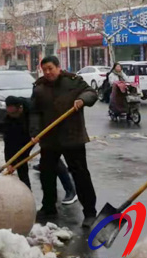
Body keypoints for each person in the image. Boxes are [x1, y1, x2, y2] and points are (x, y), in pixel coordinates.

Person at [30, 55, 98, 227]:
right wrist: (35, 132)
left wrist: (83, 100)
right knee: (47, 174)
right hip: (49, 139)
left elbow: (91, 93)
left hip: (72, 137)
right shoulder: (39, 87)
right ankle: (48, 207)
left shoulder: (73, 81)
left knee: (80, 174)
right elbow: (35, 112)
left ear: (58, 67)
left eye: (50, 68)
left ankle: (90, 212)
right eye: (44, 70)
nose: (47, 72)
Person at [4, 96, 77, 204]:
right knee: (20, 162)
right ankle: (27, 194)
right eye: (9, 113)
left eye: (14, 113)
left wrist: (35, 134)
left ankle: (70, 191)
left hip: (46, 129)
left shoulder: (32, 108)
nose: (12, 116)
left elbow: (35, 122)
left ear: (20, 108)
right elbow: (9, 142)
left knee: (53, 159)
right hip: (26, 136)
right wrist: (10, 162)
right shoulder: (9, 119)